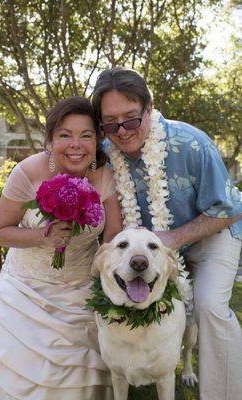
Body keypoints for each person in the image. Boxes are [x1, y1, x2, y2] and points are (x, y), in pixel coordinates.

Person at [92, 67, 242, 400]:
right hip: (154, 248)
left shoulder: (190, 143)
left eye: (131, 119)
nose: (122, 131)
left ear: (149, 108)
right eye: (110, 122)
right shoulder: (106, 153)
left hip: (213, 231)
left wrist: (175, 238)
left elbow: (230, 207)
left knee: (209, 306)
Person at [0, 97, 122, 400]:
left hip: (81, 289)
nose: (76, 145)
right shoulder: (28, 172)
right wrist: (43, 236)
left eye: (86, 135)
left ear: (97, 140)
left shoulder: (104, 176)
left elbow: (112, 237)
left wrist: (108, 286)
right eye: (65, 135)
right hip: (25, 291)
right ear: (51, 139)